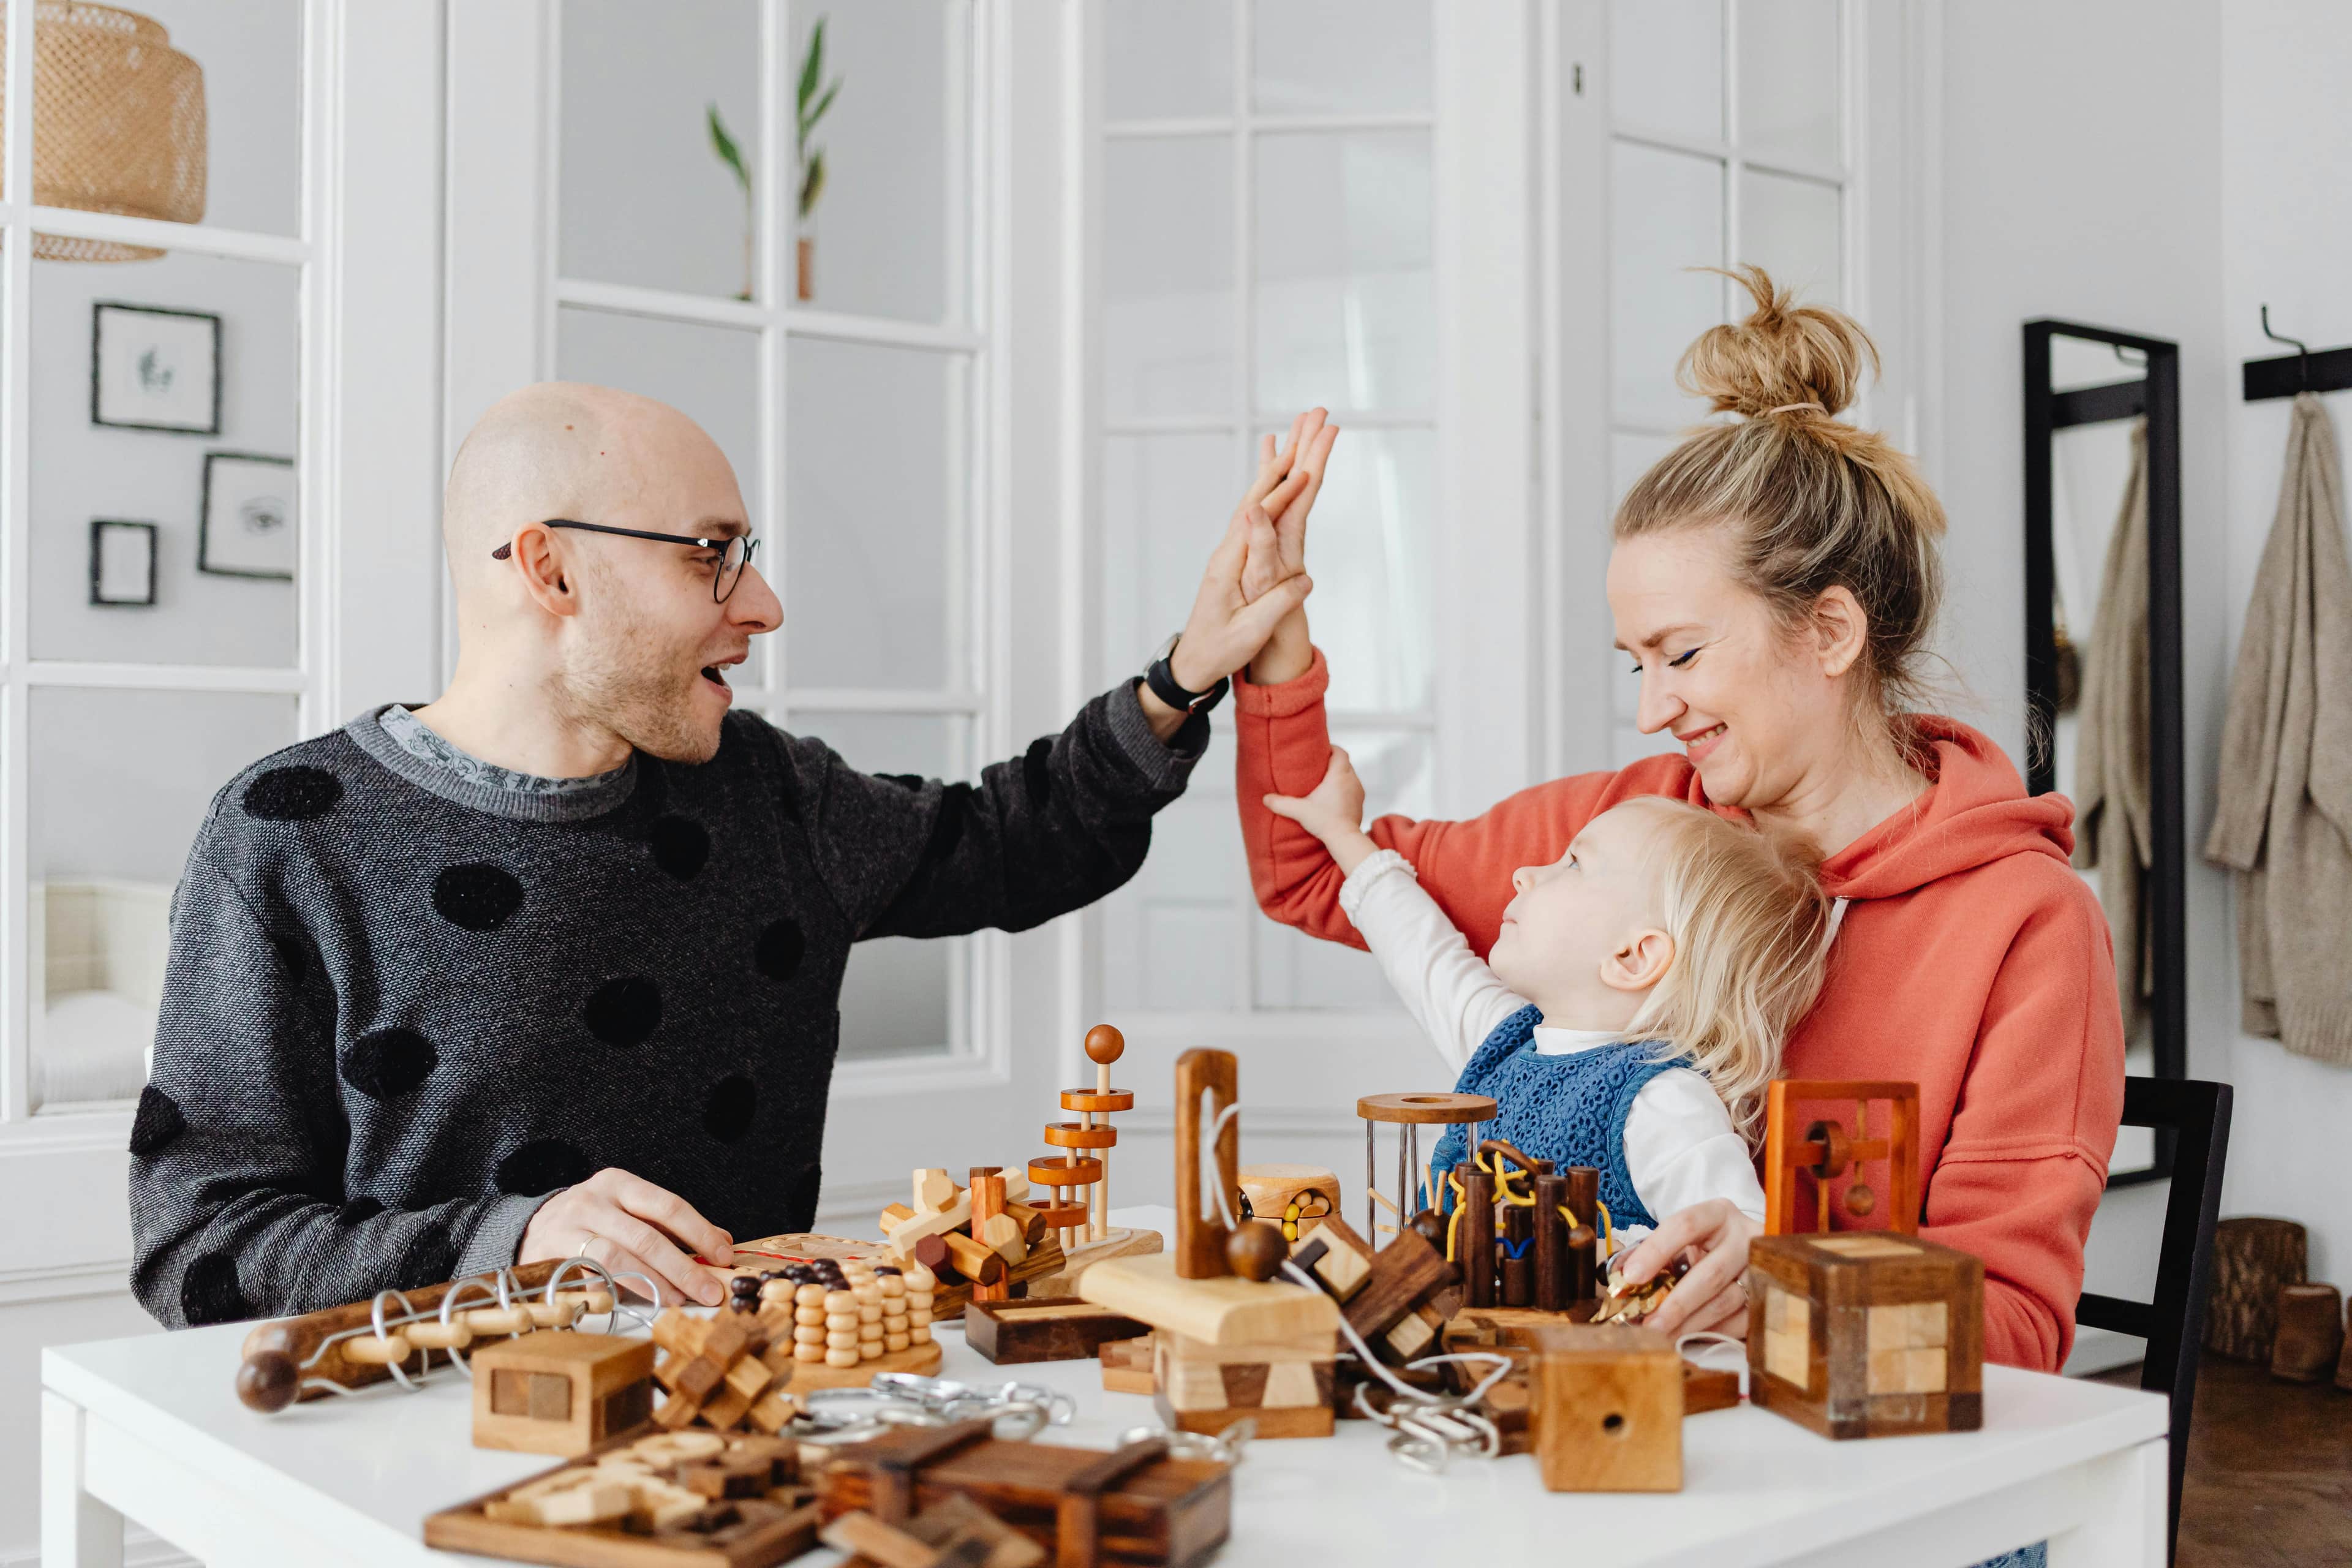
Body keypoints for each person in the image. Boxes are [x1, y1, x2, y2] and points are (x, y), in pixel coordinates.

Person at [126, 382, 1327, 1328]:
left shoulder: (768, 791)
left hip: (737, 1467)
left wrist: (1186, 674)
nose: (764, 603)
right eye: (711, 553)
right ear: (550, 568)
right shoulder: (288, 835)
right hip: (418, 1482)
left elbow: (1020, 838)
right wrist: (518, 1241)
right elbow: (200, 1253)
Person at [1231, 271, 2125, 1372]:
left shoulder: (2026, 923)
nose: (1654, 707)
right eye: (1638, 662)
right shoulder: (1629, 831)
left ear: (1830, 631)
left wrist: (1779, 1290)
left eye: (1683, 654)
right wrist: (1277, 643)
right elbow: (1319, 875)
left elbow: (2019, 1333)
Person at [1262, 744, 1832, 1239]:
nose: (1525, 874)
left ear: (1633, 956)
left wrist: (1616, 1258)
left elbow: (1742, 1248)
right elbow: (1419, 952)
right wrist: (1342, 832)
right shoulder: (1508, 1042)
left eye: (1574, 863)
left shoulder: (1663, 1101)